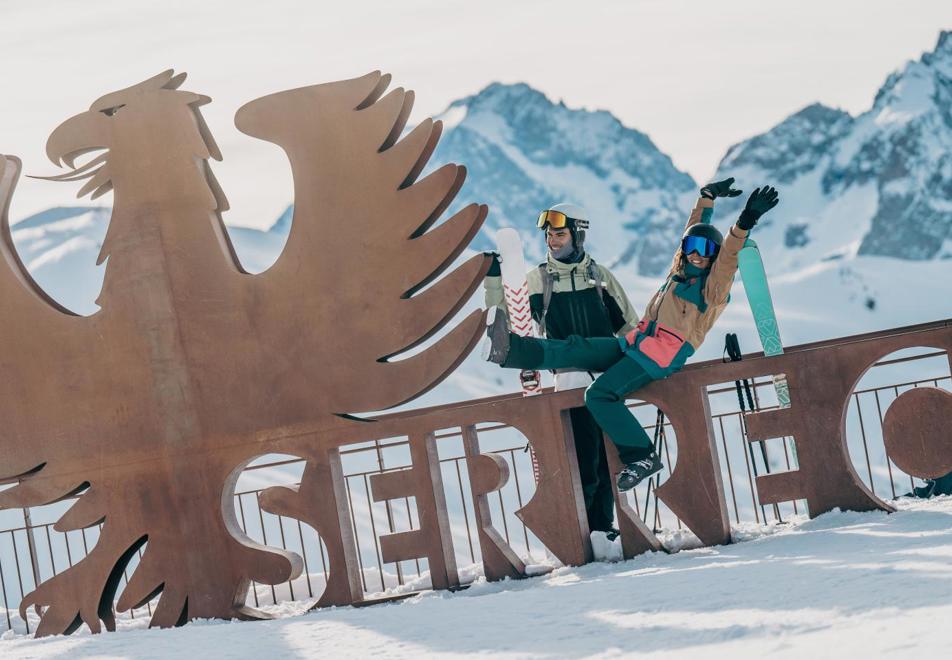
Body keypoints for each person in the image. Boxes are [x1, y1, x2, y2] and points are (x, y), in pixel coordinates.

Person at [486, 179, 780, 491]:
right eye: (692, 248)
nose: (696, 254)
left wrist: (745, 221)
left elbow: (729, 258)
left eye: (706, 250)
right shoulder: (678, 272)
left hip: (661, 355)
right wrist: (706, 199)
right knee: (575, 348)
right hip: (637, 343)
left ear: (714, 255)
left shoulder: (713, 288)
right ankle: (510, 350)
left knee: (599, 395)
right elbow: (692, 230)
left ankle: (642, 456)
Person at [484, 203, 639, 538]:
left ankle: (603, 530)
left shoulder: (599, 277)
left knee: (608, 462)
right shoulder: (539, 281)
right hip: (569, 385)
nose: (553, 241)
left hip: (608, 385)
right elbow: (502, 322)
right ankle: (583, 533)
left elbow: (629, 327)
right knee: (583, 463)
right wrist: (495, 281)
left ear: (577, 235)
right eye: (549, 235)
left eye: (560, 233)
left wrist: (640, 369)